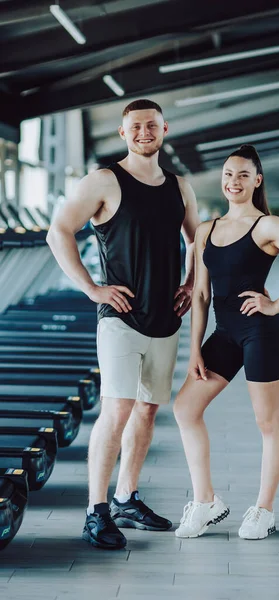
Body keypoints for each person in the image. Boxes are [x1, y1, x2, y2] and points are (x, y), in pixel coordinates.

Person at [46, 99, 200, 549]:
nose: (144, 132)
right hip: (120, 317)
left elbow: (197, 240)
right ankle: (96, 512)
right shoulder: (104, 181)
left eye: (152, 125)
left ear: (164, 129)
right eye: (136, 126)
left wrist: (190, 284)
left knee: (148, 409)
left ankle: (126, 498)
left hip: (165, 318)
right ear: (122, 133)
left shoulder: (179, 187)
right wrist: (92, 289)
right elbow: (58, 231)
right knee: (117, 409)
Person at [173, 144, 279, 540]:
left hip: (261, 332)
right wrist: (193, 349)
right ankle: (206, 502)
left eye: (243, 175)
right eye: (228, 174)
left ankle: (263, 510)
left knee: (268, 422)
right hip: (224, 334)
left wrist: (275, 305)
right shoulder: (206, 230)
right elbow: (202, 295)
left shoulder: (269, 227)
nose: (233, 181)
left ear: (257, 180)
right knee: (186, 407)